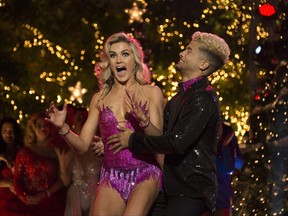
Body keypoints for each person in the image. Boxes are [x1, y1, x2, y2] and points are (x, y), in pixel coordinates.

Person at [107, 31, 231, 215]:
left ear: (203, 64)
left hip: (191, 191)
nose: (182, 53)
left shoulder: (203, 98)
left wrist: (132, 141)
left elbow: (175, 143)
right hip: (170, 187)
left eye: (189, 50)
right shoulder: (179, 98)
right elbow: (161, 137)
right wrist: (145, 122)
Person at [46, 32, 164, 215]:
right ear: (108, 62)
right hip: (112, 176)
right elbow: (82, 146)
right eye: (113, 55)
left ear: (135, 59)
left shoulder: (151, 93)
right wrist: (63, 128)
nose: (119, 60)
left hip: (145, 172)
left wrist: (144, 121)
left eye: (125, 54)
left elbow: (159, 142)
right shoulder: (99, 99)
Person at [12, 112, 66, 216]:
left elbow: (62, 180)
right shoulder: (24, 152)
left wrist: (45, 194)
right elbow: (17, 178)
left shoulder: (57, 151)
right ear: (33, 129)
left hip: (50, 201)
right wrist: (23, 197)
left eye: (46, 125)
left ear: (51, 127)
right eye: (39, 126)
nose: (43, 128)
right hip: (27, 203)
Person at [55, 105, 102, 216]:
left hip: (96, 196)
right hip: (75, 197)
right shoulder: (68, 150)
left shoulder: (98, 145)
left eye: (82, 120)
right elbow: (66, 182)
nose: (79, 124)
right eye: (77, 121)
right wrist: (62, 166)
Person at [212, 122, 244, 216]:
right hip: (208, 195)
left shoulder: (228, 133)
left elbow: (236, 164)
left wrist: (225, 147)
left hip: (221, 196)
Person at [0, 117, 24, 215]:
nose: (8, 134)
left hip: (20, 198)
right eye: (5, 131)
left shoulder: (22, 150)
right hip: (3, 200)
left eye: (11, 131)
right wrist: (10, 184)